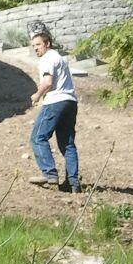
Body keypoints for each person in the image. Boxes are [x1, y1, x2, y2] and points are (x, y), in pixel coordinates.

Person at [27, 26, 79, 192]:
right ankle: (73, 183)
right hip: (70, 102)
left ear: (47, 43)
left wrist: (37, 95)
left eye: (38, 45)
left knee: (37, 137)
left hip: (55, 102)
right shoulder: (59, 58)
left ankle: (49, 173)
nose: (35, 48)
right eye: (33, 46)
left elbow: (48, 82)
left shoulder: (48, 58)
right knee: (68, 144)